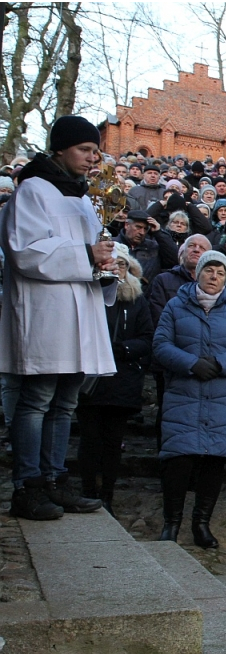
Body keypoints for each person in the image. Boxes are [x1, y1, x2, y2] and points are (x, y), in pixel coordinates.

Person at [0, 115, 115, 520]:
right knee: (37, 400)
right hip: (45, 312)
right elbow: (24, 250)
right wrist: (85, 255)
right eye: (85, 150)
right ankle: (27, 485)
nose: (91, 158)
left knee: (66, 403)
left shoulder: (81, 197)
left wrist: (105, 262)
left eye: (96, 152)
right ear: (61, 149)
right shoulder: (33, 189)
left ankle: (54, 478)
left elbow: (90, 249)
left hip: (79, 309)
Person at [153, 250, 226, 547]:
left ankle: (201, 524)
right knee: (178, 461)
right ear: (197, 272)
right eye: (209, 270)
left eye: (221, 272)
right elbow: (160, 344)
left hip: (224, 396)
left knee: (215, 462)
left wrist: (222, 364)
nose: (215, 277)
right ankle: (171, 524)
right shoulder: (176, 306)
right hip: (184, 394)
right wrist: (190, 363)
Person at [74, 244, 154, 515]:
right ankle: (88, 490)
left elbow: (147, 338)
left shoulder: (136, 299)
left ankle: (107, 492)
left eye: (122, 264)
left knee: (112, 441)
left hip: (122, 379)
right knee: (89, 439)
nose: (117, 269)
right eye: (114, 264)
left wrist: (122, 349)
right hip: (91, 378)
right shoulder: (91, 292)